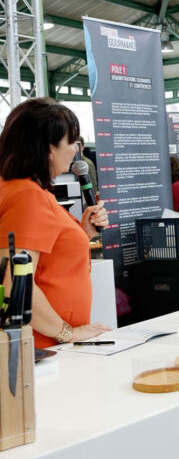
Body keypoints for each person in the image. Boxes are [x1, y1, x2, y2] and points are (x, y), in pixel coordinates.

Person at [0, 98, 111, 348]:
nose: (75, 149)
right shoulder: (27, 196)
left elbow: (41, 260)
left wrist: (81, 233)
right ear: (48, 148)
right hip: (44, 349)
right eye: (71, 141)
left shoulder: (18, 189)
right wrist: (66, 333)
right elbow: (16, 284)